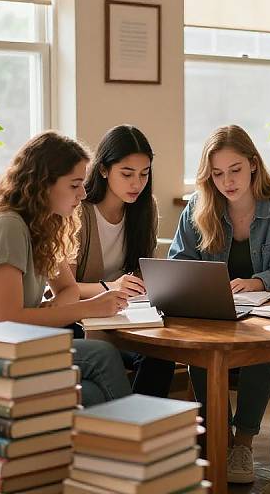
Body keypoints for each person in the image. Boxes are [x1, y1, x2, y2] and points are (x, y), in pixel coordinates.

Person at [0, 131, 133, 408]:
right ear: (43, 184)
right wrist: (89, 307)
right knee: (101, 355)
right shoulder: (8, 226)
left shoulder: (43, 226)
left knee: (91, 394)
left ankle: (116, 445)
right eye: (74, 185)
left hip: (3, 342)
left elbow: (67, 288)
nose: (83, 194)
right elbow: (7, 319)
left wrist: (49, 310)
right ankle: (140, 444)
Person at [169, 124, 270, 483]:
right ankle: (220, 438)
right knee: (200, 343)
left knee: (260, 347)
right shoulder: (199, 205)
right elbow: (180, 261)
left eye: (235, 170)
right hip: (216, 313)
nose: (227, 181)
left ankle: (243, 442)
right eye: (217, 174)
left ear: (253, 166)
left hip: (269, 312)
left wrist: (259, 281)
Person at [72, 124, 174, 397]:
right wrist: (110, 287)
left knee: (161, 356)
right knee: (110, 359)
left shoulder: (145, 208)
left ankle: (140, 429)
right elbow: (62, 290)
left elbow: (143, 273)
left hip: (128, 316)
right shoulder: (78, 211)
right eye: (127, 174)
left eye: (144, 174)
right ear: (104, 170)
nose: (136, 184)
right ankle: (127, 428)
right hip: (84, 319)